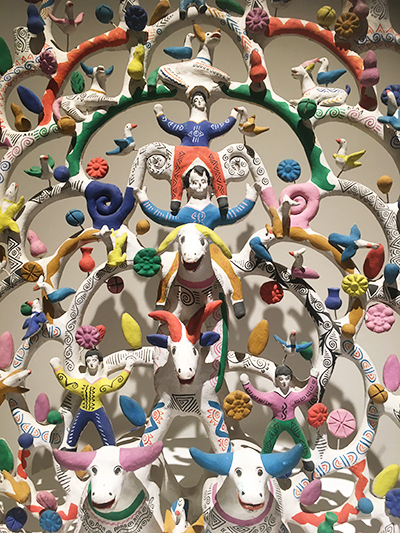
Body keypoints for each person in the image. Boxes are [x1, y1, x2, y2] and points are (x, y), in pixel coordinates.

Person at [154, 89, 239, 216]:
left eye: (201, 100)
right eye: (196, 100)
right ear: (192, 104)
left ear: (205, 103)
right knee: (177, 170)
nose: (199, 102)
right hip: (185, 151)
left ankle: (222, 198)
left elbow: (222, 127)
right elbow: (170, 126)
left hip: (204, 151)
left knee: (216, 167)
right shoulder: (185, 127)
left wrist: (233, 115)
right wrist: (159, 113)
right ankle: (175, 200)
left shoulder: (208, 127)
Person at [240, 365, 319, 475]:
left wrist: (313, 378)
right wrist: (247, 384)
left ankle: (307, 460)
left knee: (301, 440)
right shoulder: (273, 396)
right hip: (276, 423)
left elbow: (307, 394)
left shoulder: (293, 395)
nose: (284, 382)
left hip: (291, 422)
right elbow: (258, 396)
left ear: (290, 379)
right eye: (281, 379)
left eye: (287, 378)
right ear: (276, 380)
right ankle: (264, 460)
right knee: (268, 441)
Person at [50, 349, 134, 448]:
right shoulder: (82, 383)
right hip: (83, 411)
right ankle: (69, 453)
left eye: (94, 360)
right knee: (71, 439)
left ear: (99, 362)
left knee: (109, 441)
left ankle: (111, 453)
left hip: (98, 410)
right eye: (88, 361)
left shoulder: (101, 382)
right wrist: (56, 366)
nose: (91, 363)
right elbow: (67, 383)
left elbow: (115, 384)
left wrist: (127, 368)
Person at [134, 165, 257, 230]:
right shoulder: (182, 214)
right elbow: (161, 216)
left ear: (209, 185)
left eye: (203, 181)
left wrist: (250, 197)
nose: (199, 185)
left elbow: (235, 214)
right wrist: (143, 199)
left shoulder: (214, 213)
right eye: (194, 182)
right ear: (187, 187)